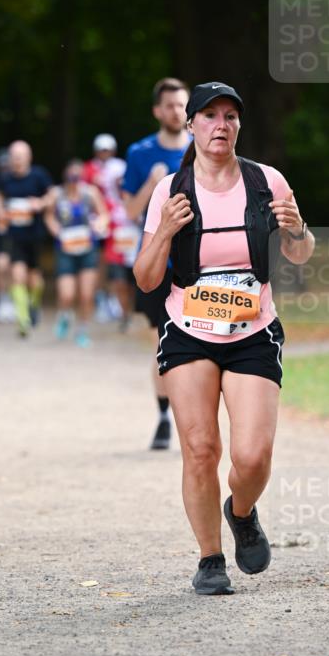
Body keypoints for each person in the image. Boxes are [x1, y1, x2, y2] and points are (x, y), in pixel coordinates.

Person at [134, 82, 314, 596]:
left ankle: (241, 510)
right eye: (209, 115)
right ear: (190, 126)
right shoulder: (170, 190)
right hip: (189, 330)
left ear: (239, 126)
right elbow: (146, 279)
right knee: (199, 447)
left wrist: (298, 229)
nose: (221, 124)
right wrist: (165, 231)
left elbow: (299, 255)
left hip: (253, 330)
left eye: (230, 116)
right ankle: (210, 559)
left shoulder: (266, 181)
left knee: (252, 456)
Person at [122, 78, 190, 449]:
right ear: (157, 111)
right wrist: (151, 185)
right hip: (155, 263)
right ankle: (165, 416)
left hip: (197, 266)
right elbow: (130, 210)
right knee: (164, 344)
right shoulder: (139, 153)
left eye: (182, 105)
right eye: (169, 105)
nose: (176, 112)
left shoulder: (204, 148)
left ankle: (191, 418)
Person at [0, 140, 52, 336]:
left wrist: (40, 203)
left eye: (20, 156)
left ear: (28, 158)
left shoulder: (39, 176)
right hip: (14, 237)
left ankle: (33, 304)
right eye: (14, 156)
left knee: (34, 280)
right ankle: (22, 319)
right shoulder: (4, 179)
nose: (17, 160)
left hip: (34, 236)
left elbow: (53, 195)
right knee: (17, 275)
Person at [44, 160, 109, 348]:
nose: (74, 181)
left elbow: (104, 214)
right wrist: (55, 229)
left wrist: (100, 224)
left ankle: (82, 329)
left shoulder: (90, 193)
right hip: (65, 249)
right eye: (70, 177)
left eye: (77, 177)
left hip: (87, 248)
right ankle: (64, 315)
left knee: (87, 294)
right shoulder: (57, 194)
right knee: (66, 294)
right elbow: (49, 216)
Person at [82, 134, 134, 329]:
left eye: (107, 149)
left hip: (121, 224)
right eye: (101, 150)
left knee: (120, 265)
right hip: (97, 223)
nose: (104, 153)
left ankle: (120, 304)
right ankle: (102, 298)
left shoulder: (120, 166)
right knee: (101, 262)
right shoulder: (88, 169)